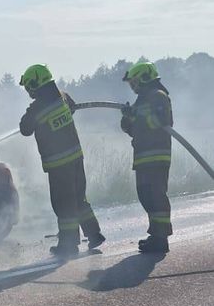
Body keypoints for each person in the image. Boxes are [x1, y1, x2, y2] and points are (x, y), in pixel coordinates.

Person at [19, 64, 105, 257]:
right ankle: (94, 234)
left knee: (63, 204)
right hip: (76, 158)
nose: (28, 91)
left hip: (58, 165)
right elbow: (72, 108)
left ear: (37, 83)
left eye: (29, 86)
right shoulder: (63, 97)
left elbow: (25, 129)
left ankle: (68, 244)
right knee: (79, 198)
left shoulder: (38, 107)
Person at [121, 60, 173, 254]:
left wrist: (136, 117)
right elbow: (131, 129)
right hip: (142, 157)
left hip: (157, 156)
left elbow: (161, 122)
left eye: (134, 82)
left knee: (156, 196)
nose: (133, 87)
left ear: (144, 78)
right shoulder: (141, 99)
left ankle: (161, 239)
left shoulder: (159, 96)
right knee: (146, 196)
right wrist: (128, 116)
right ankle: (156, 235)